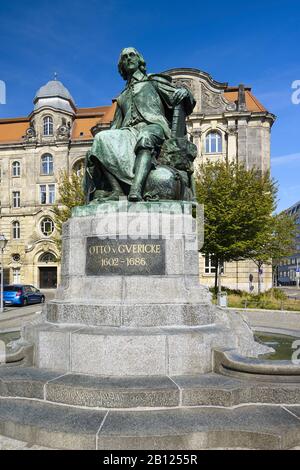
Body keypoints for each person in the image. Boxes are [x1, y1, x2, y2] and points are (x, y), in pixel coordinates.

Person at [87, 47, 196, 202]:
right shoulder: (122, 96)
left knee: (145, 137)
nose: (128, 59)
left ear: (139, 61)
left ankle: (136, 189)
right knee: (101, 139)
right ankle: (116, 190)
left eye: (132, 55)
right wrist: (101, 148)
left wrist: (186, 93)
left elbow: (179, 96)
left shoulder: (153, 81)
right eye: (124, 57)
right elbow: (116, 126)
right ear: (121, 66)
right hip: (129, 131)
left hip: (153, 126)